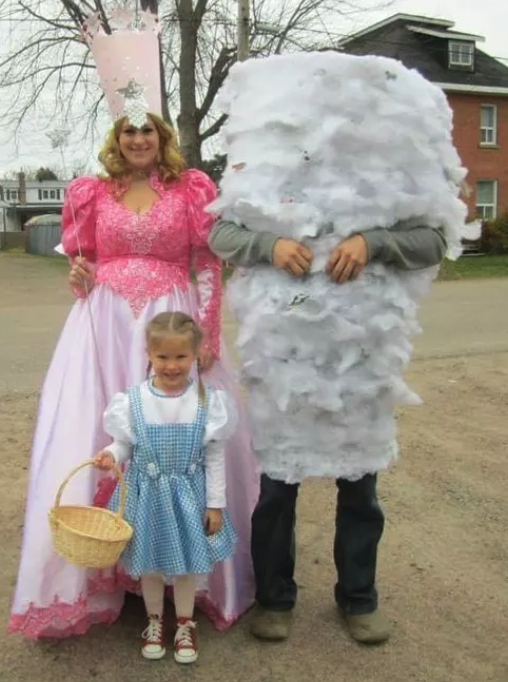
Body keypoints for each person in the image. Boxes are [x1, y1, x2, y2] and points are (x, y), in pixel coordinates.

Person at [7, 112, 258, 639]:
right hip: (104, 328)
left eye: (148, 131)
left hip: (171, 323)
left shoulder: (189, 189)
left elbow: (208, 262)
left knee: (182, 434)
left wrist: (207, 332)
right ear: (116, 138)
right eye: (129, 131)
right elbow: (84, 265)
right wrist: (80, 278)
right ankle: (105, 572)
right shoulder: (89, 193)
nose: (139, 139)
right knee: (103, 433)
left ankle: (184, 571)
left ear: (161, 137)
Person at [209, 219, 446, 645]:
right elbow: (221, 234)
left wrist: (372, 243)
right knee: (277, 490)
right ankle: (274, 598)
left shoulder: (387, 161)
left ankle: (358, 597)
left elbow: (433, 241)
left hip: (360, 360)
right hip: (283, 359)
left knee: (359, 487)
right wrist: (271, 243)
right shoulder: (267, 156)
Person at [93, 311, 237, 664]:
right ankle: (154, 620)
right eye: (163, 358)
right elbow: (126, 444)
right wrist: (111, 454)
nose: (171, 366)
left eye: (180, 357)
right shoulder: (134, 401)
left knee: (187, 565)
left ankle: (185, 623)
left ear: (195, 355)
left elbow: (215, 457)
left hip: (189, 498)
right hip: (147, 499)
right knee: (152, 566)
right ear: (149, 355)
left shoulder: (207, 402)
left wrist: (215, 505)